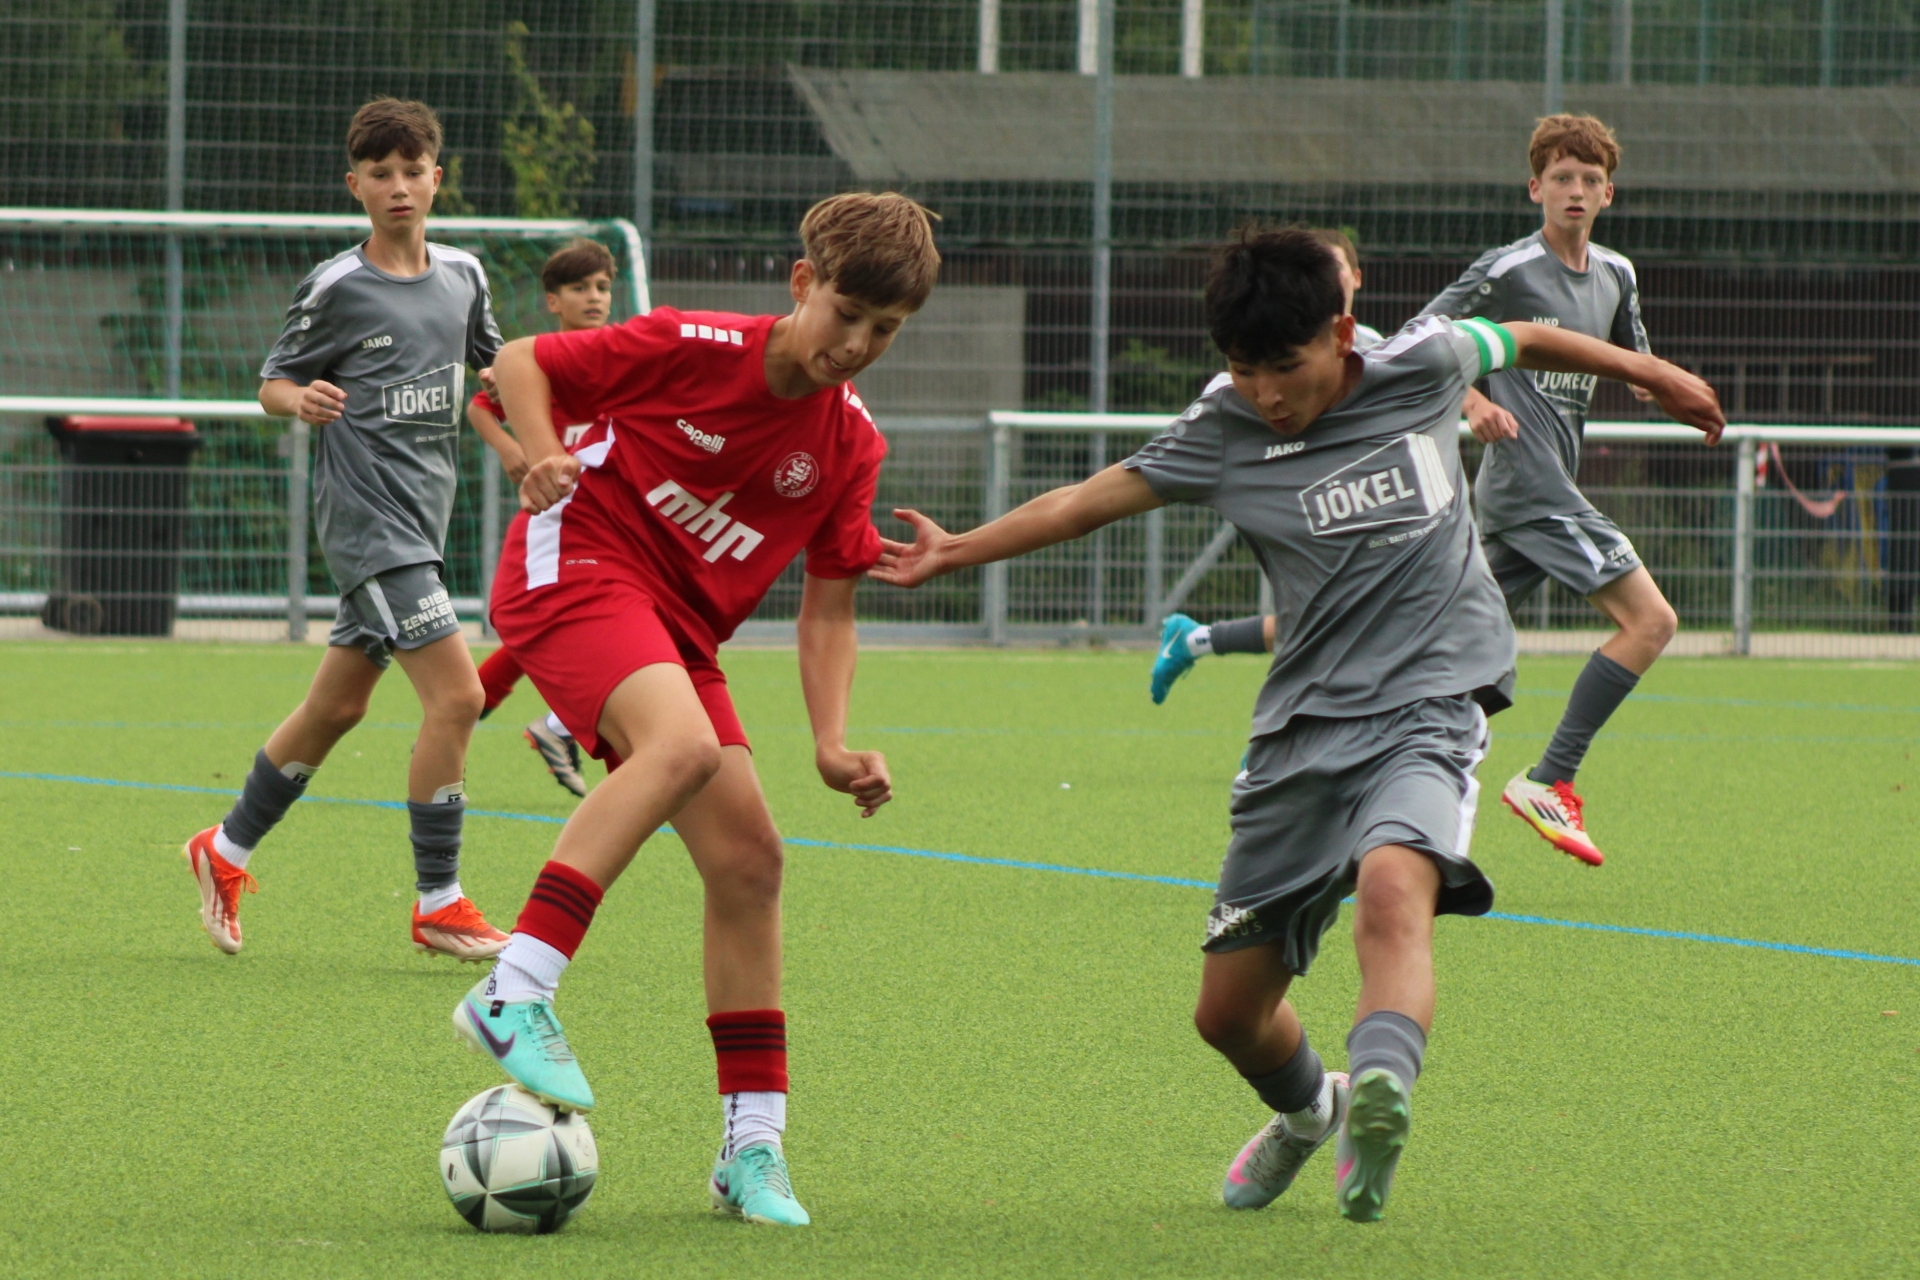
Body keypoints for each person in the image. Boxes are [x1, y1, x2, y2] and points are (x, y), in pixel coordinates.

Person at [871, 227, 1722, 1222]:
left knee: (1394, 888)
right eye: (1245, 368)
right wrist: (955, 550)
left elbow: (1525, 335)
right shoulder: (1224, 425)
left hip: (1432, 699)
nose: (1267, 392)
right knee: (1228, 1015)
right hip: (1301, 732)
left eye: (1286, 365)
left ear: (1342, 334)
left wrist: (1652, 371)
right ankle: (1315, 1109)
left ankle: (1382, 1089)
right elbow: (1087, 501)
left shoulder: (1422, 363)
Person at [449, 193, 940, 1227]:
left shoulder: (851, 446)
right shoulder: (691, 343)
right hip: (578, 559)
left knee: (752, 859)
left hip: (678, 631)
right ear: (802, 284)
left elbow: (829, 606)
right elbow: (523, 363)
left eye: (886, 329)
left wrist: (831, 740)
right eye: (847, 313)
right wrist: (541, 453)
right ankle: (513, 987)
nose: (857, 344)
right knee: (681, 748)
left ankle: (751, 1149)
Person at [1153, 118, 1715, 870]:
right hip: (1529, 486)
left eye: (1589, 180)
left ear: (1609, 193)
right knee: (1651, 620)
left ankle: (1275, 723)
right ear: (1535, 188)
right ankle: (1549, 778)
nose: (1575, 191)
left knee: (1418, 641)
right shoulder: (1508, 268)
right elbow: (1423, 334)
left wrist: (1665, 387)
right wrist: (1471, 399)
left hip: (1538, 490)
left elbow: (1633, 359)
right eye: (1561, 178)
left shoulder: (1618, 273)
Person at [183, 98, 508, 962]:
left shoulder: (466, 276)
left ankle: (224, 848)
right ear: (354, 184)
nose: (399, 186)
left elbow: (496, 373)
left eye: (413, 171)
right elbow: (272, 384)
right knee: (460, 697)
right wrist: (303, 399)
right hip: (367, 524)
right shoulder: (337, 285)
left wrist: (533, 441)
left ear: (437, 179)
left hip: (424, 522)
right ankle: (439, 901)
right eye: (381, 173)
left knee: (338, 706)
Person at [1149, 226, 1378, 703]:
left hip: (1369, 509)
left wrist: (1473, 402)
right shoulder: (1240, 390)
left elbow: (1439, 369)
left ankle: (1197, 640)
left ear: (1355, 278)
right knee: (1344, 619)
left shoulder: (1381, 349)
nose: (1268, 392)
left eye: (1338, 269)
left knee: (1357, 618)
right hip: (1309, 510)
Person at [467, 239, 620, 798]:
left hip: (612, 523)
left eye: (602, 287)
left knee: (554, 636)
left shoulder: (626, 353)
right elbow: (481, 407)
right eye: (580, 288)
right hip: (556, 521)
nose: (595, 297)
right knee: (549, 632)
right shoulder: (539, 360)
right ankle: (471, 724)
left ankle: (550, 727)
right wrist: (511, 450)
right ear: (553, 301)